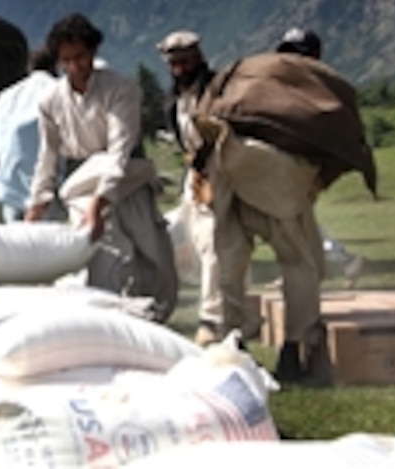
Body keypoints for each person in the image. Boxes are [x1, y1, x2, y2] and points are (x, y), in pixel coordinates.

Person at [193, 49, 377, 385]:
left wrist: (200, 168)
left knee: (230, 264)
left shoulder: (245, 72)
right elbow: (338, 140)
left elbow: (204, 124)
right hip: (277, 178)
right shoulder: (314, 87)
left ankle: (239, 345)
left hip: (234, 171)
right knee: (299, 264)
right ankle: (293, 348)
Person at [25, 13, 178, 322]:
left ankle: (154, 321)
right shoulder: (50, 101)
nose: (75, 66)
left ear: (93, 52)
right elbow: (48, 156)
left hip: (127, 180)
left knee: (151, 257)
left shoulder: (121, 89)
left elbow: (120, 150)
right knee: (101, 260)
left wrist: (102, 201)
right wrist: (38, 201)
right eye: (66, 60)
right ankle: (107, 324)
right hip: (81, 185)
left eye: (80, 57)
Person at [277, 27, 366, 288]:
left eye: (299, 53)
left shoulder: (322, 86)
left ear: (315, 55)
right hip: (291, 160)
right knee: (294, 219)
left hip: (306, 162)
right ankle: (330, 262)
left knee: (292, 218)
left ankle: (340, 259)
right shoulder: (289, 83)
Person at [157, 30, 228, 346]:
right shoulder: (175, 100)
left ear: (197, 59)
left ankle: (211, 319)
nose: (180, 69)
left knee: (214, 244)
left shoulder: (217, 91)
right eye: (174, 64)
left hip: (221, 173)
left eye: (185, 62)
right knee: (195, 242)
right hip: (194, 177)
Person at [0, 48, 59, 222]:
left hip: (9, 186)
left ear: (29, 68)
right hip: (45, 192)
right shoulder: (57, 91)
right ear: (55, 66)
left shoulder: (6, 96)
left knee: (13, 245)